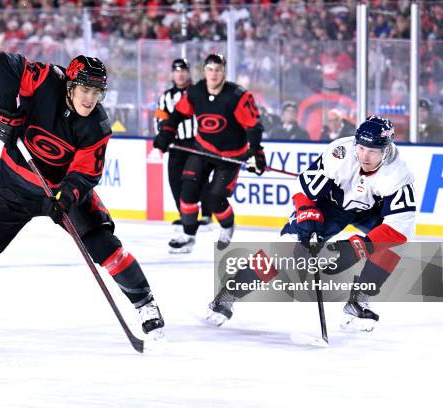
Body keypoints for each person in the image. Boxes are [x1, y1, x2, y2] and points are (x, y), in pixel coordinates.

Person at [0, 53, 165, 339]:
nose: (90, 99)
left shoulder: (96, 125)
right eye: (85, 90)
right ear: (70, 86)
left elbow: (86, 173)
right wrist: (7, 111)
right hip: (15, 185)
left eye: (97, 93)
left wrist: (66, 197)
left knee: (103, 243)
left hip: (61, 191)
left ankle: (145, 303)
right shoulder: (46, 80)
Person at [207, 116, 415, 332]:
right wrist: (307, 214)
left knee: (393, 245)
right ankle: (230, 292)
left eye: (373, 150)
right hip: (330, 205)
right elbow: (304, 190)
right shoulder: (340, 153)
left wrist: (359, 247)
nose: (365, 155)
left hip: (370, 210)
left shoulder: (398, 173)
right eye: (361, 148)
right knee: (285, 249)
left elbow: (400, 226)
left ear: (386, 148)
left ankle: (359, 300)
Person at [154, 53, 266, 253]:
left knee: (215, 199)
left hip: (230, 155)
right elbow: (177, 115)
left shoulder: (237, 96)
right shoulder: (196, 92)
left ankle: (227, 225)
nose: (214, 74)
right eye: (210, 69)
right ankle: (188, 236)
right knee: (187, 190)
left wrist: (255, 152)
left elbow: (253, 126)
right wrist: (163, 140)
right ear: (204, 71)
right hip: (203, 148)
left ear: (224, 72)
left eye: (218, 69)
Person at [154, 58, 212, 230]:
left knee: (199, 178)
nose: (180, 74)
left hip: (197, 143)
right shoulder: (166, 97)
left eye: (183, 71)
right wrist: (163, 134)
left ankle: (207, 216)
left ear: (188, 73)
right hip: (176, 145)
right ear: (172, 74)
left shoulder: (198, 93)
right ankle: (186, 216)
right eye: (177, 71)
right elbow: (159, 119)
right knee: (175, 180)